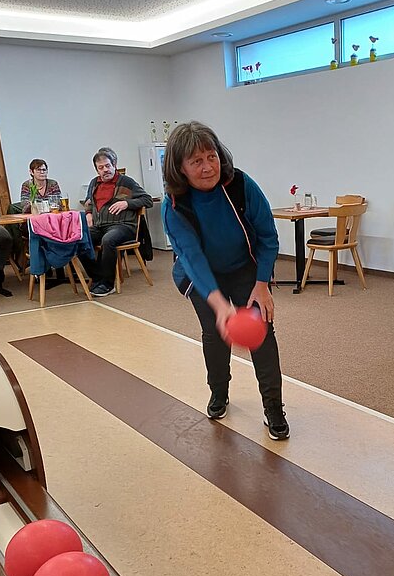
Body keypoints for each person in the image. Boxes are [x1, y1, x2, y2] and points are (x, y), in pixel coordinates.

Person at [161, 121, 289, 441]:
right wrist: (219, 304)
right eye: (196, 161)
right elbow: (192, 258)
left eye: (212, 157)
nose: (208, 167)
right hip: (201, 274)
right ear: (180, 168)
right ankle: (219, 391)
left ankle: (273, 407)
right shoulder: (174, 205)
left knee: (261, 332)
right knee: (216, 334)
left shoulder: (241, 185)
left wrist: (262, 284)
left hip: (244, 268)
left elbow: (268, 237)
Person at [81, 147, 153, 296]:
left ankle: (108, 284)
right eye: (101, 168)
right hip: (99, 226)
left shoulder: (126, 182)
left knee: (108, 240)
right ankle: (98, 277)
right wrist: (88, 214)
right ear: (97, 170)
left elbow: (148, 200)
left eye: (108, 166)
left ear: (114, 165)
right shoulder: (94, 183)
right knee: (79, 238)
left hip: (123, 226)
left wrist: (127, 203)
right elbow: (89, 203)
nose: (105, 170)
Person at [19, 159, 64, 282]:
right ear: (31, 172)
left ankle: (59, 267)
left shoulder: (53, 183)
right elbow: (25, 205)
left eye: (44, 169)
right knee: (40, 235)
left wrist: (39, 205)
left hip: (51, 220)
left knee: (59, 231)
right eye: (39, 170)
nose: (42, 172)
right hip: (34, 222)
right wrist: (41, 206)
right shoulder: (27, 185)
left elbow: (58, 203)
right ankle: (42, 268)